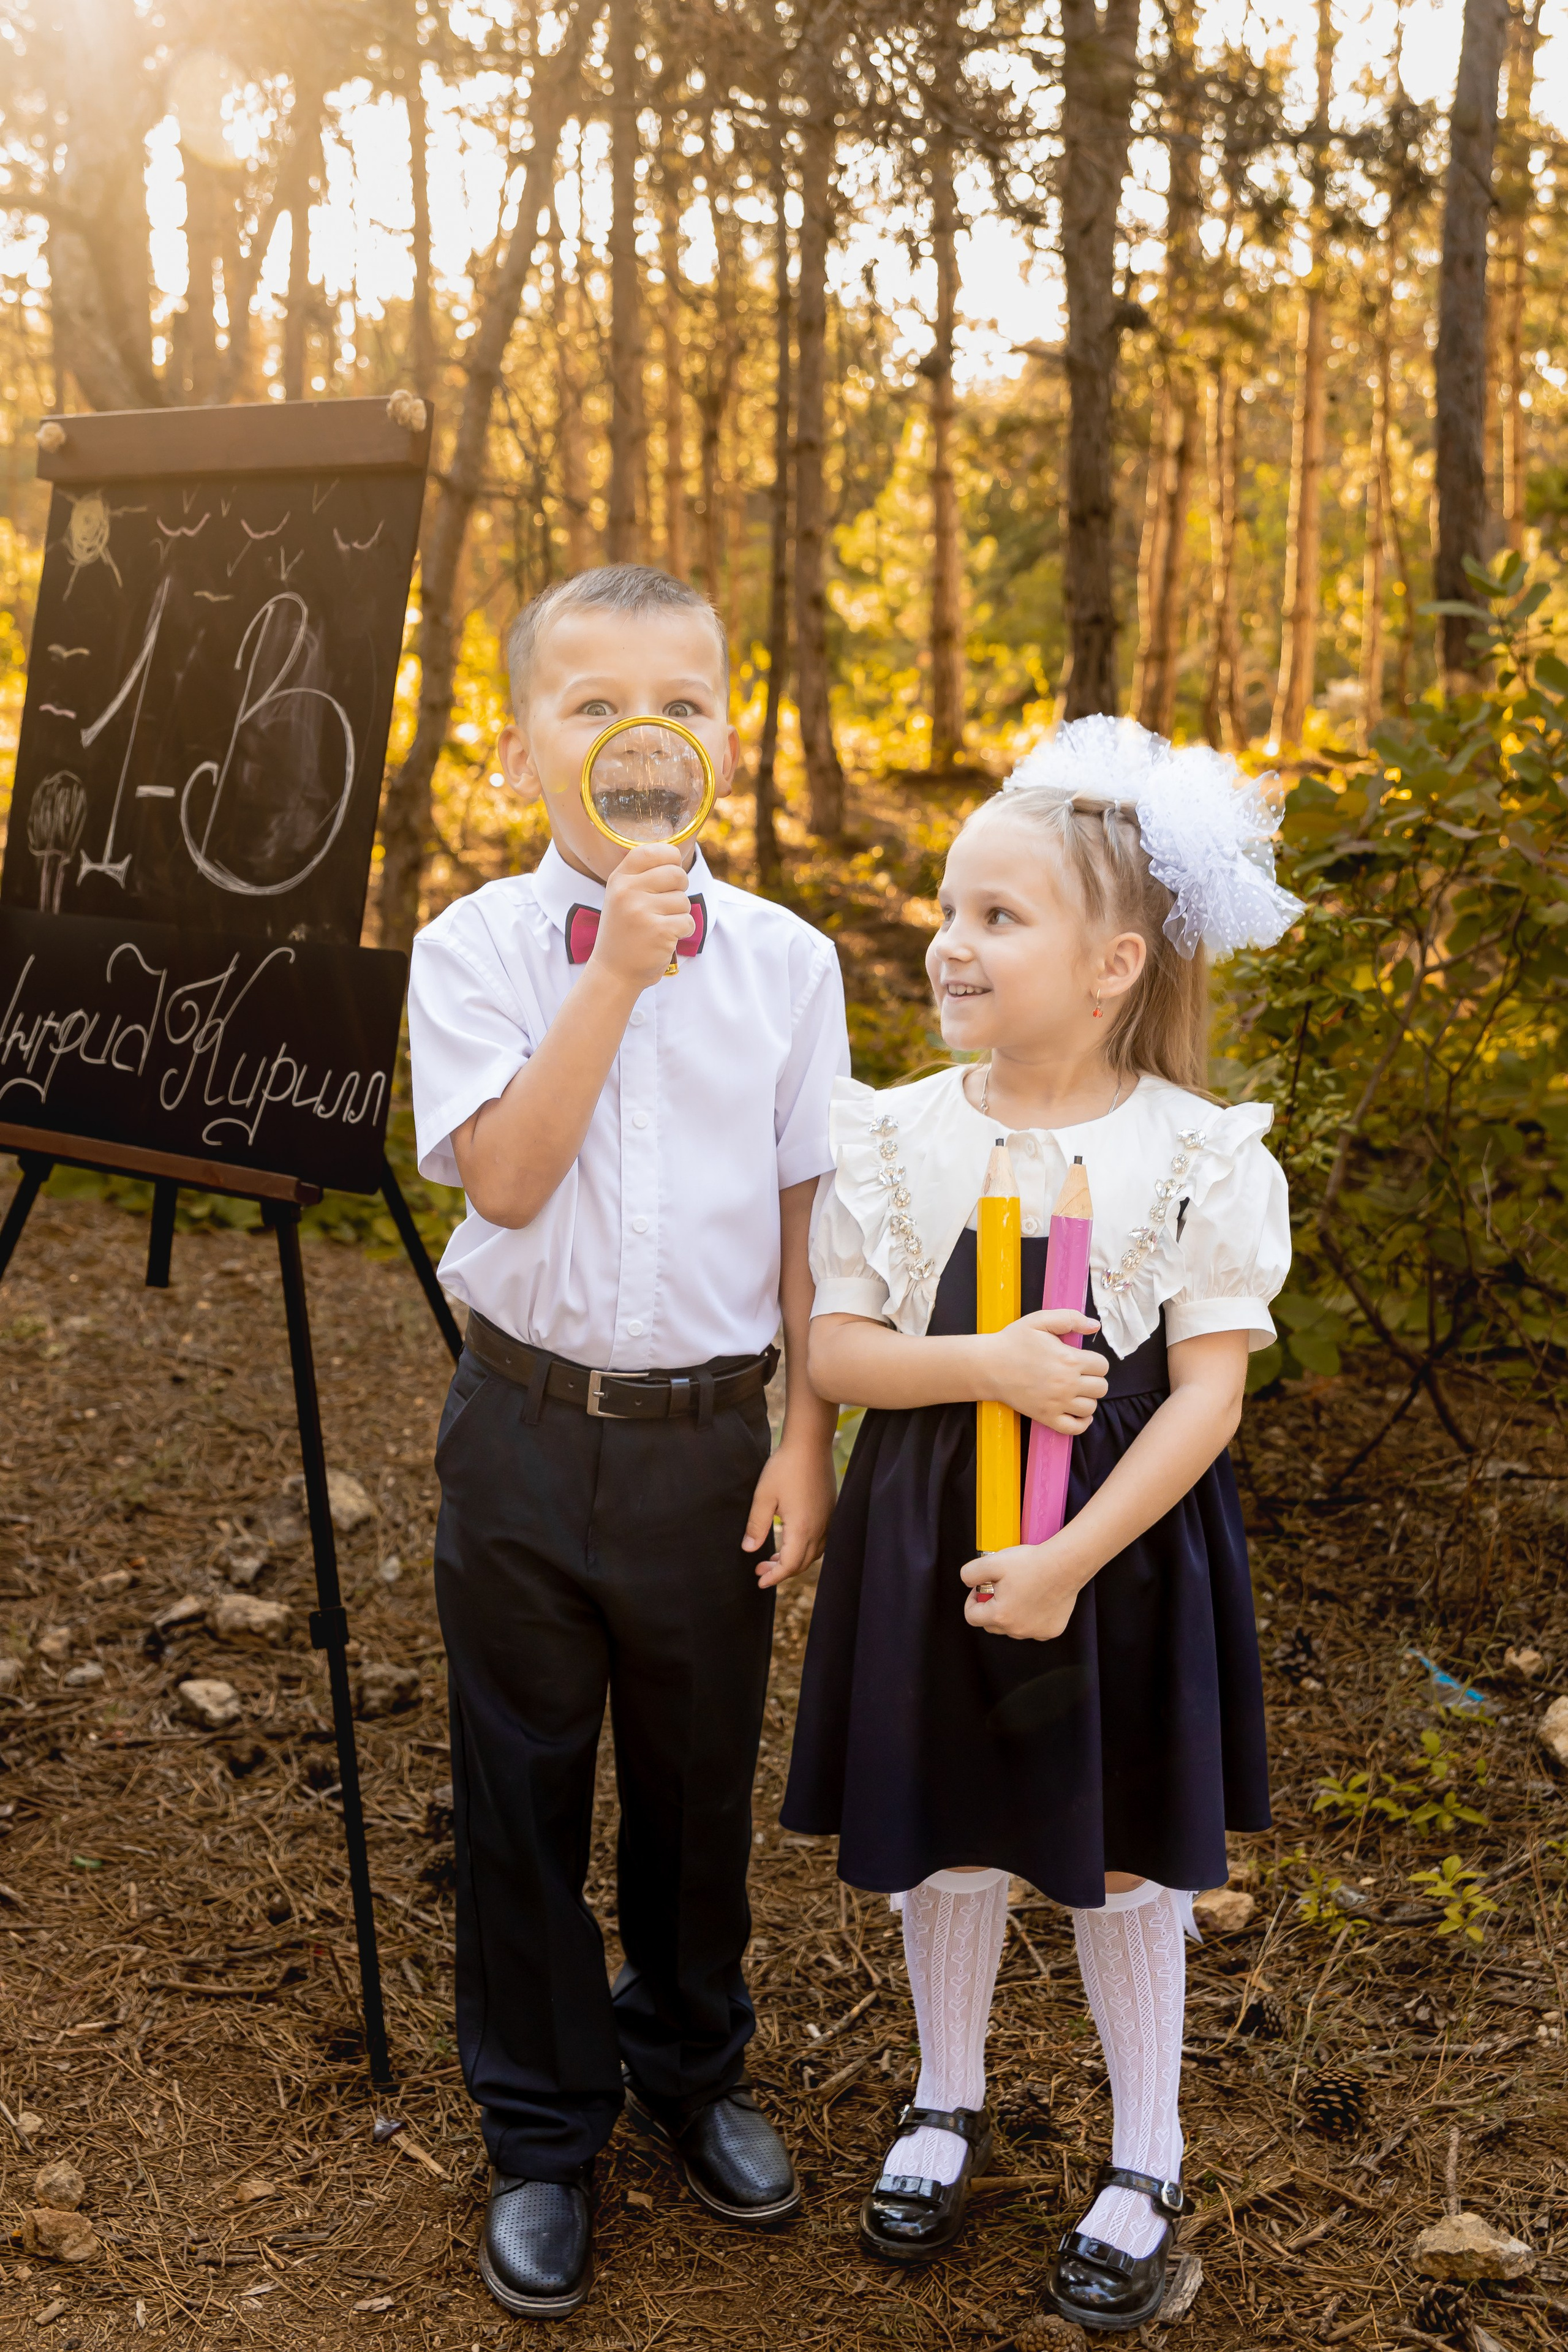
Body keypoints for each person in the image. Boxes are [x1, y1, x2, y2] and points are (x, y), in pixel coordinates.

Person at [782, 716, 1301, 2332]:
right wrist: (984, 1365)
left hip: (1123, 1553)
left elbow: (1207, 1396)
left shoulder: (1196, 1154)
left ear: (1112, 965)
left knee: (1120, 1857)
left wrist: (1077, 1557)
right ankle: (947, 2098)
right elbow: (839, 1349)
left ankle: (1145, 2151)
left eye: (998, 919)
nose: (952, 944)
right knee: (948, 1825)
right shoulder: (899, 1134)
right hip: (929, 1525)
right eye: (947, 912)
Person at [407, 565, 847, 2321]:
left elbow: (817, 1226)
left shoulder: (796, 968)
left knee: (691, 1786)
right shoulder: (476, 950)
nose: (631, 734)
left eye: (670, 703)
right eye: (589, 704)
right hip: (518, 1432)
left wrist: (806, 1439)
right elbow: (506, 1176)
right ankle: (540, 2130)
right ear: (528, 752)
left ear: (720, 745)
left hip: (703, 1442)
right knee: (518, 1792)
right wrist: (621, 970)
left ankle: (692, 2069)